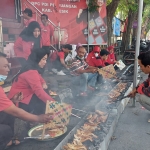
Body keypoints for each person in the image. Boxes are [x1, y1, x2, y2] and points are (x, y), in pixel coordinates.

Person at [0, 52, 53, 150]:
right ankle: (6, 141)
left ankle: (8, 140)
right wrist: (38, 117)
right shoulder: (31, 72)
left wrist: (12, 100)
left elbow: (41, 82)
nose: (8, 69)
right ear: (36, 60)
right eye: (5, 66)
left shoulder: (34, 71)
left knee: (8, 116)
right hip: (22, 103)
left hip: (18, 100)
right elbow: (15, 111)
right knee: (5, 131)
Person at [8, 48, 55, 115]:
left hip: (20, 99)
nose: (45, 62)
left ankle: (37, 115)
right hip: (17, 102)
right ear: (37, 58)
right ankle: (37, 118)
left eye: (46, 59)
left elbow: (40, 78)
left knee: (44, 91)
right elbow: (40, 92)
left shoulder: (30, 67)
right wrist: (54, 103)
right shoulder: (31, 72)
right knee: (42, 95)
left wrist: (43, 83)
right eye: (43, 59)